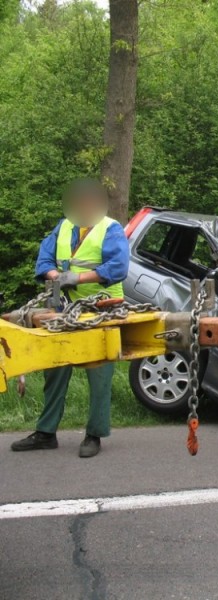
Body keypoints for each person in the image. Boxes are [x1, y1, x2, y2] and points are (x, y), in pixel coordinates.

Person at [10, 179, 130, 458]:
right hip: (65, 308)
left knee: (99, 371)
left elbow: (118, 267)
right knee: (55, 366)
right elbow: (44, 262)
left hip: (102, 309)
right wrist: (57, 277)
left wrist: (77, 277)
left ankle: (94, 435)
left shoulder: (110, 229)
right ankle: (46, 432)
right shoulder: (63, 227)